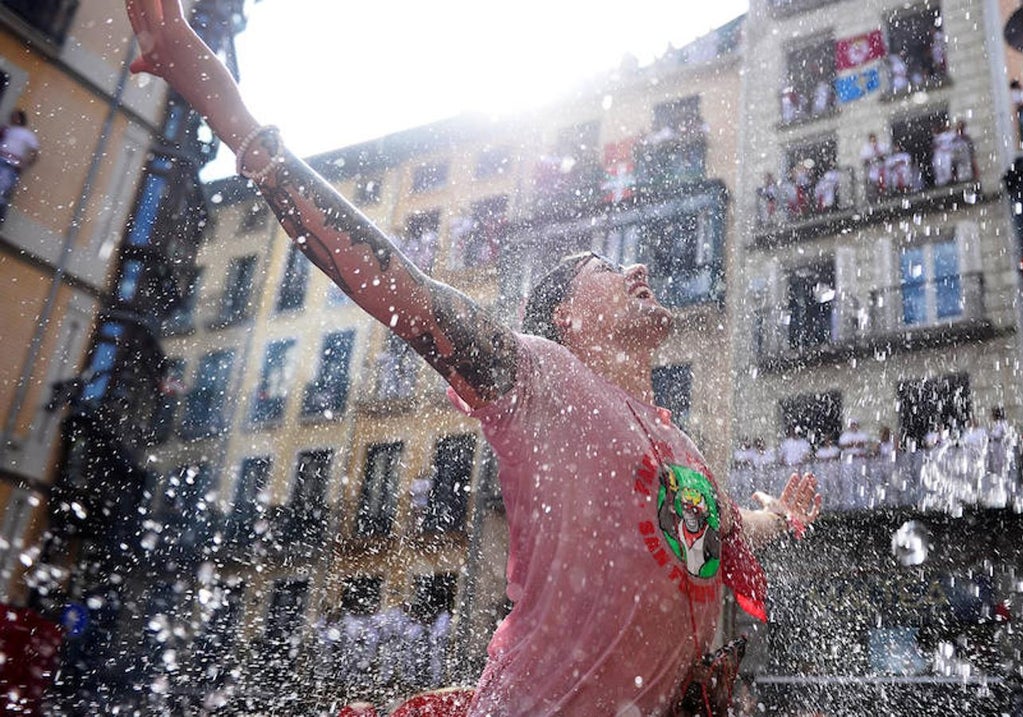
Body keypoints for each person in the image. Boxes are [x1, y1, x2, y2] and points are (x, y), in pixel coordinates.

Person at [122, 4, 823, 715]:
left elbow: (730, 524)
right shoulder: (539, 376)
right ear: (565, 316)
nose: (639, 268)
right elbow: (397, 282)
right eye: (606, 266)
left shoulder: (685, 451)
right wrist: (223, 104)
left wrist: (782, 516)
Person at [0, 109, 38, 222]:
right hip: (2, 160)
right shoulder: (7, 129)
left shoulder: (26, 134)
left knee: (2, 192)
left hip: (10, 165)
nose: (13, 118)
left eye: (15, 117)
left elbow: (35, 153)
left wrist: (24, 164)